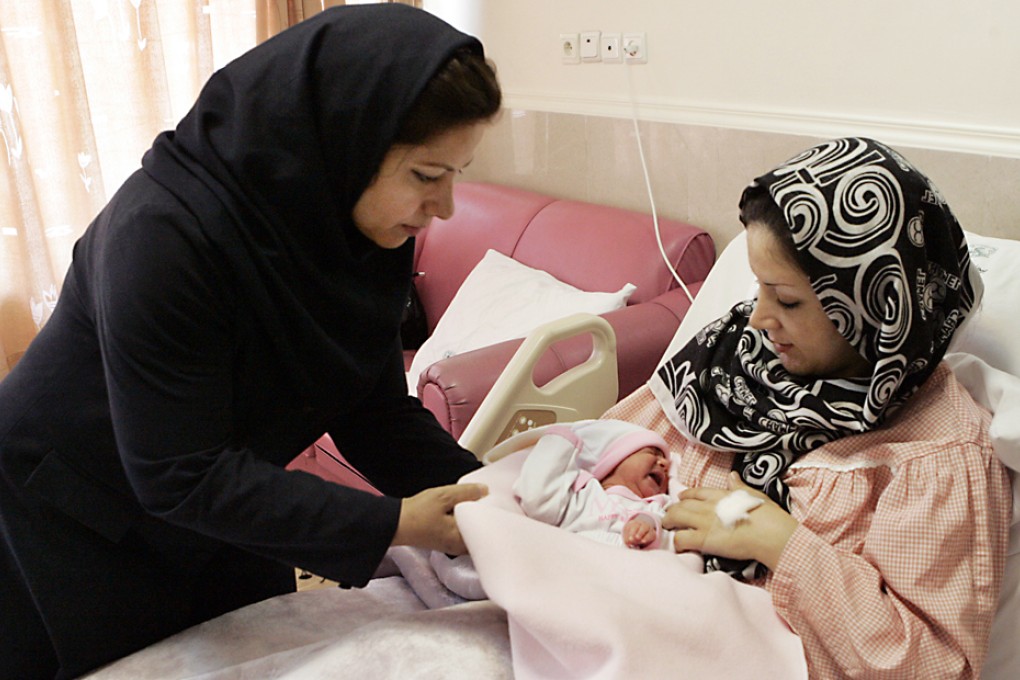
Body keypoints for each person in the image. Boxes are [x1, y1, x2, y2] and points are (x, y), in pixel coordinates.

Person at [0, 5, 500, 678]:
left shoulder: (354, 234)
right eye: (425, 175)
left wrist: (490, 494)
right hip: (83, 506)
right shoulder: (163, 238)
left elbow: (371, 410)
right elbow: (179, 472)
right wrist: (397, 523)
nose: (443, 208)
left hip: (229, 484)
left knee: (259, 647)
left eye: (455, 176)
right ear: (343, 139)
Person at [604, 137, 1012, 677]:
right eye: (759, 288)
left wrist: (781, 544)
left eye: (787, 299)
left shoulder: (935, 454)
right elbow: (602, 449)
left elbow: (933, 664)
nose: (757, 318)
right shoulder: (730, 357)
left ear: (875, 307)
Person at [513, 419, 677, 550]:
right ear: (617, 458)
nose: (664, 464)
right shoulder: (583, 493)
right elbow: (537, 499)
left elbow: (679, 540)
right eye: (653, 453)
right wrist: (559, 441)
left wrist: (649, 526)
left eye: (667, 464)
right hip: (572, 560)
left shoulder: (658, 506)